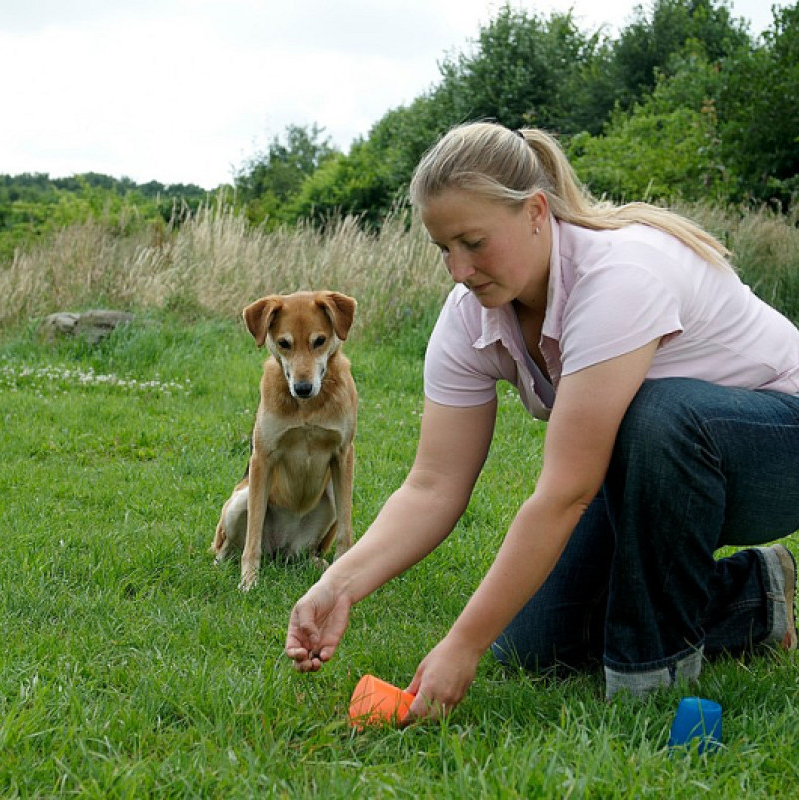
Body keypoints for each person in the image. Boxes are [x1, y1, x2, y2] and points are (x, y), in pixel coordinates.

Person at [285, 121, 799, 717]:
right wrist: (338, 585)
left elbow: (566, 492)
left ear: (534, 212)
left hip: (774, 450)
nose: (458, 269)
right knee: (535, 644)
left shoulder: (619, 278)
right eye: (443, 248)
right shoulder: (469, 317)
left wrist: (461, 645)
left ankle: (650, 686)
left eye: (473, 242)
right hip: (658, 477)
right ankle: (753, 597)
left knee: (660, 416)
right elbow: (433, 485)